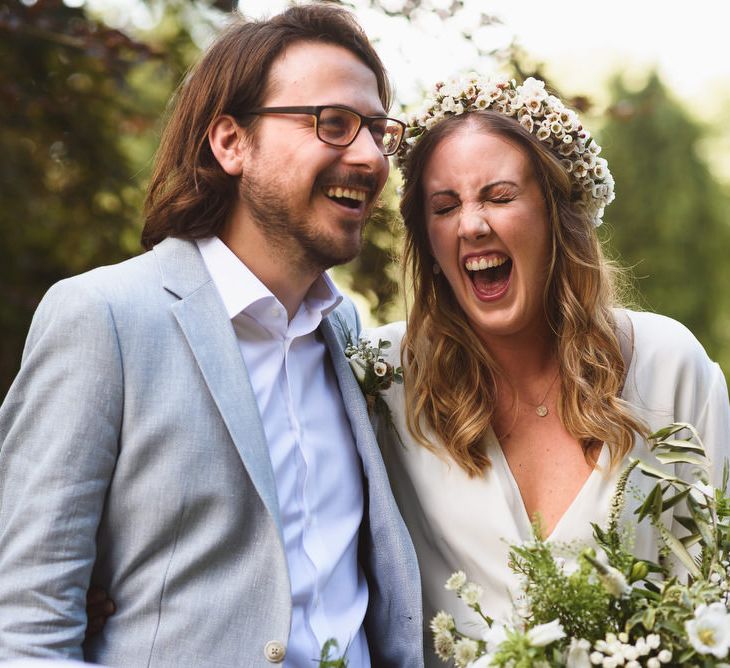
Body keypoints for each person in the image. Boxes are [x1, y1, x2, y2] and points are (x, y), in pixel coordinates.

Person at [0, 5, 423, 666]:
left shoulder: (345, 333)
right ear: (231, 143)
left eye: (377, 130)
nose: (370, 157)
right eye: (333, 123)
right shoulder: (103, 318)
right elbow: (25, 626)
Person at [362, 74, 730, 665]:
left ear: (558, 215)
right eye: (445, 206)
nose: (472, 224)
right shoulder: (384, 380)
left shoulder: (668, 367)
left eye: (500, 196)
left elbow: (721, 580)